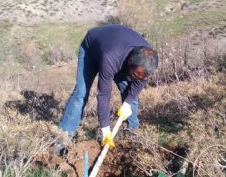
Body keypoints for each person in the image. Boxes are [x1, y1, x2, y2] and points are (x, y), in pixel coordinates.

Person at [54, 24, 158, 155]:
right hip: (91, 49)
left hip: (118, 51)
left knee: (131, 99)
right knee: (81, 94)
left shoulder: (147, 61)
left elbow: (139, 82)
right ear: (130, 64)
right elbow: (104, 94)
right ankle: (61, 142)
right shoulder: (111, 58)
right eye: (134, 75)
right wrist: (106, 129)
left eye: (140, 77)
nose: (136, 78)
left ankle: (133, 136)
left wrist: (127, 102)